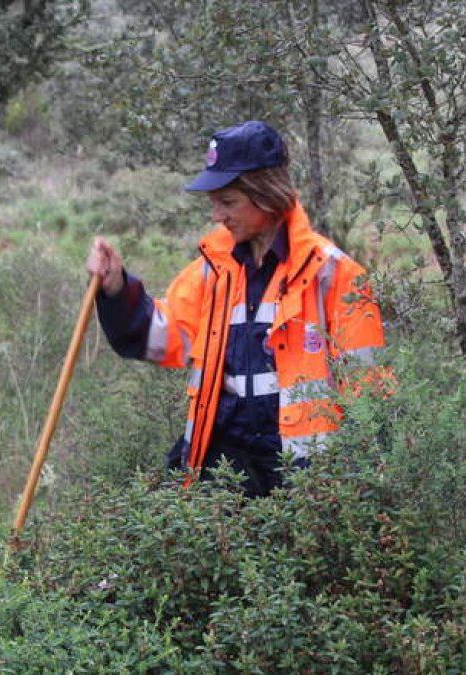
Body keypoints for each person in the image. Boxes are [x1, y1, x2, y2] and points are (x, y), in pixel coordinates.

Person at [86, 120, 387, 497]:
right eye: (214, 202)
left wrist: (361, 491)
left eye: (228, 202)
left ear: (267, 195)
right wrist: (116, 287)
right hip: (223, 470)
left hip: (307, 477)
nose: (217, 215)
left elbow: (369, 394)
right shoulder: (214, 271)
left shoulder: (335, 276)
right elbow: (158, 336)